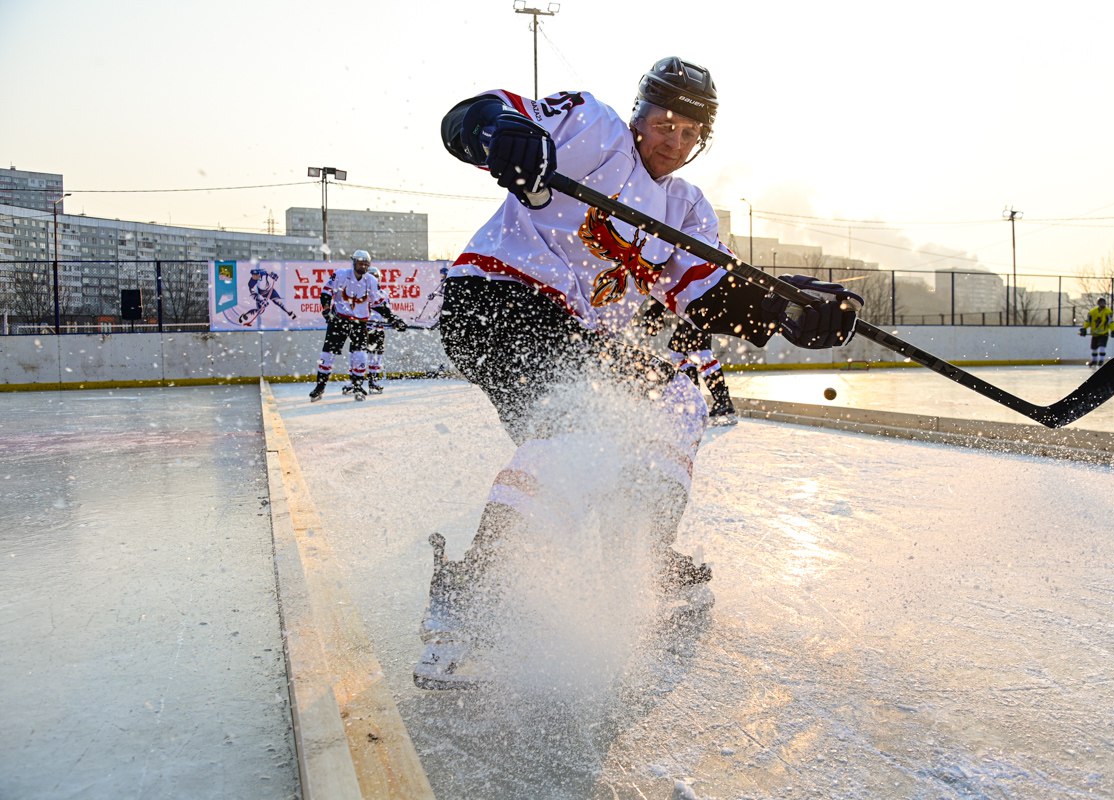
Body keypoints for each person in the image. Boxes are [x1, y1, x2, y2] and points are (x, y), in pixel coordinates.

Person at [417, 57, 861, 686]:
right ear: (640, 114)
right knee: (581, 431)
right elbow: (477, 113)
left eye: (689, 134)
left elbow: (708, 294)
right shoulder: (590, 129)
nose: (672, 142)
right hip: (498, 299)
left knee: (677, 400)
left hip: (580, 335)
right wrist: (499, 134)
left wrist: (787, 307)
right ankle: (471, 597)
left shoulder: (685, 209)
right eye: (665, 123)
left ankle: (641, 554)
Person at [309, 250, 405, 402]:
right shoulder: (341, 275)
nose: (363, 267)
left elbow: (378, 304)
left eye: (366, 264)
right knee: (327, 354)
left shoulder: (371, 281)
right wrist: (326, 310)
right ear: (354, 263)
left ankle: (358, 385)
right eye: (361, 263)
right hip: (339, 320)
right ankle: (320, 387)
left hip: (360, 323)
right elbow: (326, 293)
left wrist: (393, 319)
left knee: (360, 355)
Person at [643, 298, 736, 424]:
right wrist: (654, 316)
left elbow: (665, 290)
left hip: (701, 305)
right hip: (690, 310)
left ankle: (723, 402)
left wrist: (654, 315)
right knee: (678, 353)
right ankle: (692, 400)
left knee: (700, 354)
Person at [341, 264, 393, 395]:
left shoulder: (382, 294)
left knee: (376, 355)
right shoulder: (359, 292)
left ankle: (373, 380)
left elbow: (386, 310)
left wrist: (390, 319)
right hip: (361, 327)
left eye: (376, 277)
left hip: (377, 328)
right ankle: (354, 381)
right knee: (356, 354)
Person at [1079, 296, 1114, 367]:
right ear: (1098, 303)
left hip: (1103, 333)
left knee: (1102, 346)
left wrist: (1113, 330)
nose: (1102, 304)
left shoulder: (1108, 312)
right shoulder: (1092, 312)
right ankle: (1094, 361)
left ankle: (1101, 360)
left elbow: (1110, 322)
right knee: (1094, 348)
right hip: (1094, 333)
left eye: (1103, 302)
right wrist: (1084, 328)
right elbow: (1088, 321)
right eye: (1100, 302)